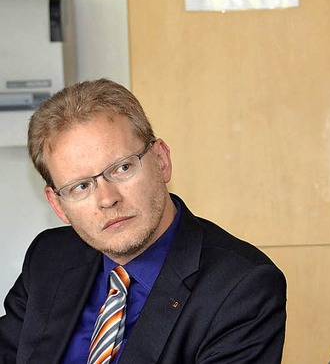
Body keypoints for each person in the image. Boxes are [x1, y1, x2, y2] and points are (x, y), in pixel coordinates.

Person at [0, 79, 287, 363]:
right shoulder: (50, 257)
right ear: (58, 205)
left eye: (122, 168)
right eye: (81, 187)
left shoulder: (242, 288)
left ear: (161, 160)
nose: (107, 198)